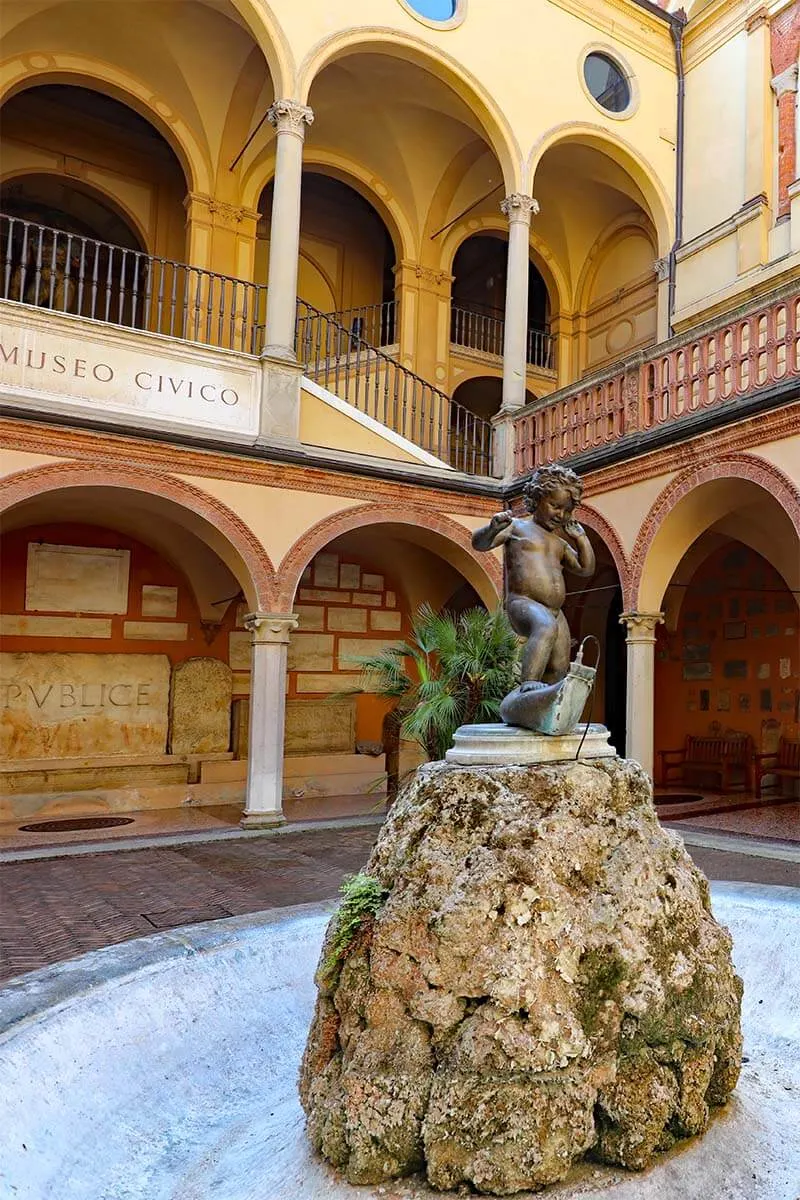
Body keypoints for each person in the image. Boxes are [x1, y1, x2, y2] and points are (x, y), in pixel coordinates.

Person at [472, 464, 595, 687]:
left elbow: (585, 569)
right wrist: (492, 528)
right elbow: (479, 544)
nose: (561, 514)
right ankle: (528, 685)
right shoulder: (517, 528)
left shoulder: (559, 542)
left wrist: (582, 538)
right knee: (545, 627)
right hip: (523, 603)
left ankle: (541, 706)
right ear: (537, 499)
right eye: (555, 506)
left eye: (566, 510)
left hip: (556, 612)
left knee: (559, 666)